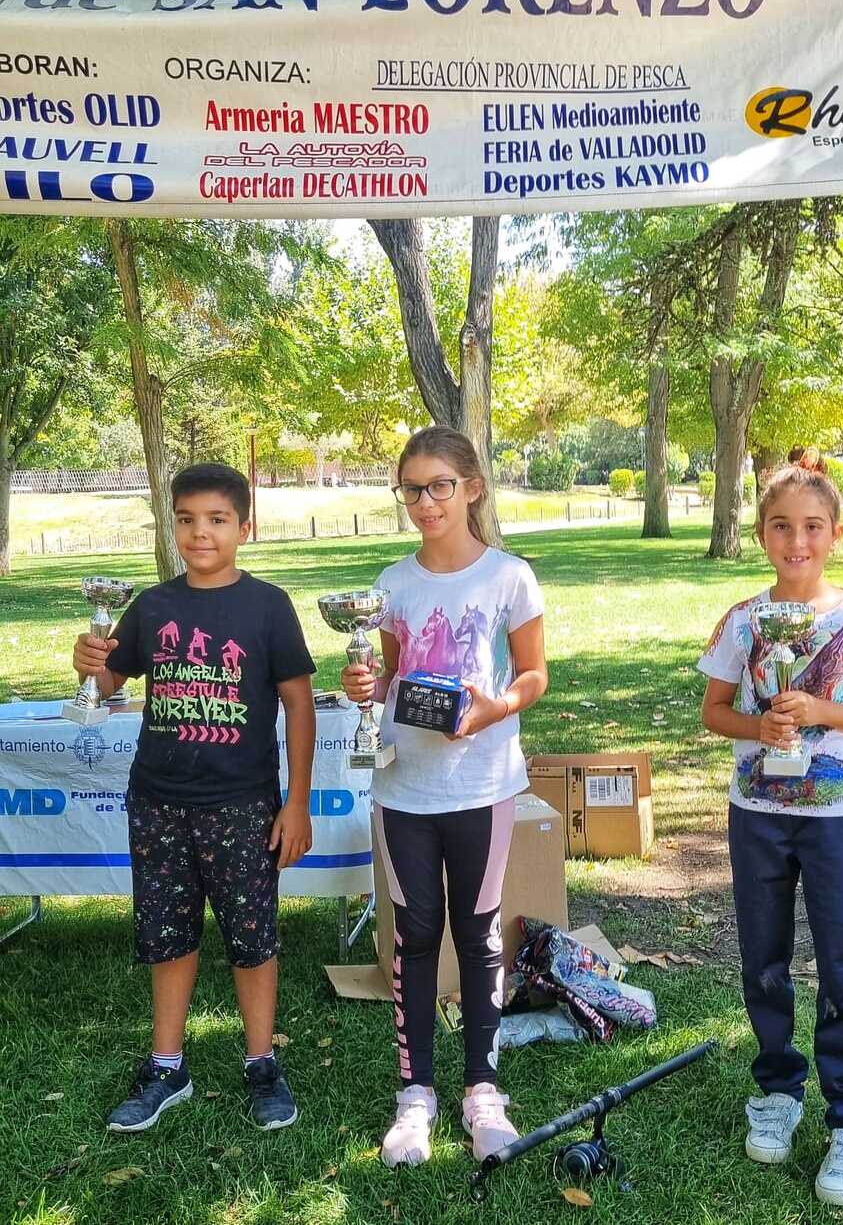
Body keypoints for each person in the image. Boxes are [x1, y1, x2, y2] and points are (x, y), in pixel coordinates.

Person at [698, 448, 843, 1207]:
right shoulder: (745, 620)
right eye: (782, 526)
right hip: (757, 817)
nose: (798, 541)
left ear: (836, 534)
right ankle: (778, 1088)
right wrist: (760, 731)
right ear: (761, 535)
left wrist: (819, 711)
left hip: (836, 822)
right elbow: (713, 710)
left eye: (813, 527)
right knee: (763, 960)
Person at [71, 463, 316, 1133]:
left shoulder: (268, 605)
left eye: (215, 519)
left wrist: (295, 804)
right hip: (158, 800)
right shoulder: (153, 605)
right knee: (167, 936)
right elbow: (108, 681)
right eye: (186, 519)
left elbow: (298, 705)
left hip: (242, 804)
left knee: (252, 938)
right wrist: (87, 658)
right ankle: (166, 1065)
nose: (199, 533)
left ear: (245, 527)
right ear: (171, 523)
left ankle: (261, 1062)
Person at [341, 426, 547, 1168]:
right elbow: (378, 675)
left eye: (439, 487)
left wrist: (488, 711)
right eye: (412, 489)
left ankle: (482, 1092)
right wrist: (360, 682)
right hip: (405, 787)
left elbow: (532, 677)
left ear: (472, 489)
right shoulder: (391, 584)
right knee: (414, 935)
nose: (425, 503)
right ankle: (415, 1096)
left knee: (480, 934)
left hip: (482, 784)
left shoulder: (509, 576)